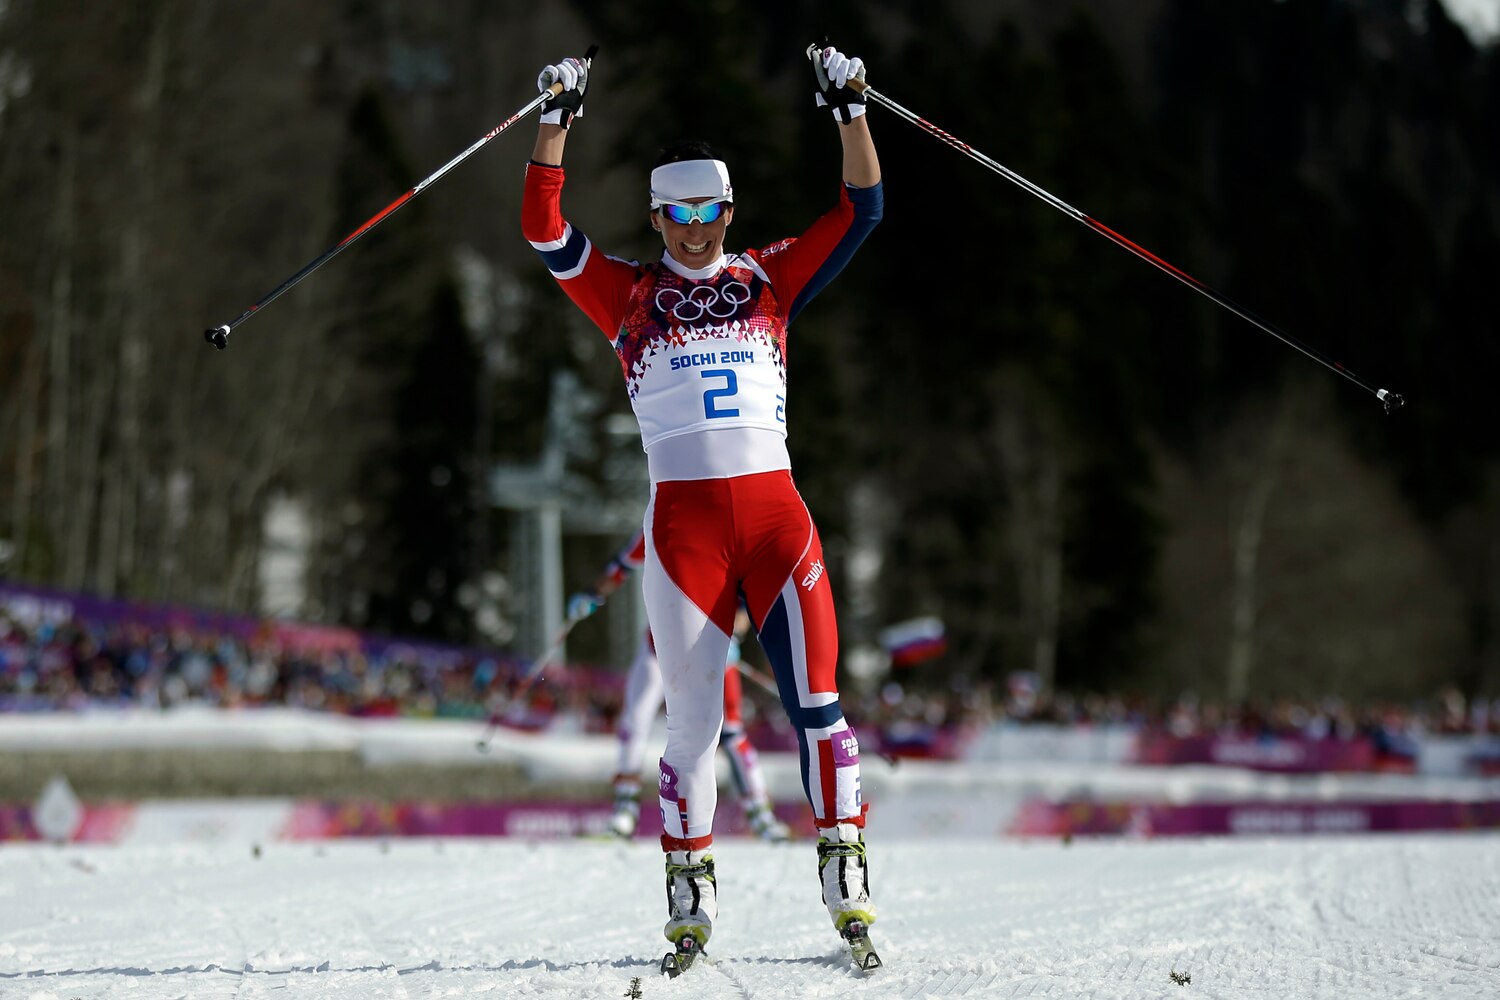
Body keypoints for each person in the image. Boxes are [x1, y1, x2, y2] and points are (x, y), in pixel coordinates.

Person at [522, 44, 882, 967]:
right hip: (685, 536)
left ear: (728, 210)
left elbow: (861, 209)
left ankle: (844, 868)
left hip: (774, 523)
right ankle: (688, 885)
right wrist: (556, 123)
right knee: (692, 728)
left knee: (819, 706)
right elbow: (544, 228)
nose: (692, 229)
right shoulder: (628, 296)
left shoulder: (769, 278)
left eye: (707, 211)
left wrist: (849, 112)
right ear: (656, 215)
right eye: (675, 214)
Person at [568, 530, 791, 842]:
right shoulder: (659, 522)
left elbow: (745, 603)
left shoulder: (724, 530)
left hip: (711, 650)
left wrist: (733, 634)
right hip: (659, 647)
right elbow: (619, 568)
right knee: (636, 717)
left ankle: (761, 817)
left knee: (731, 731)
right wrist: (592, 594)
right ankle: (624, 810)